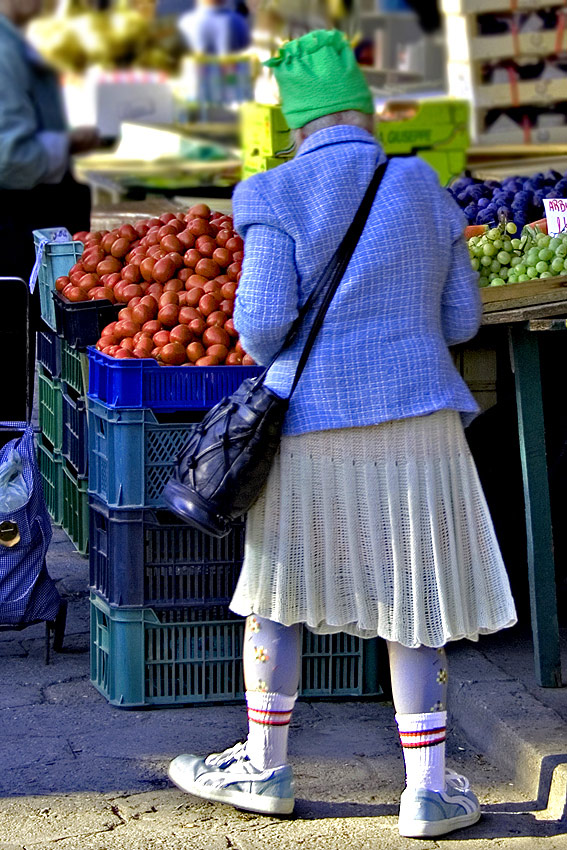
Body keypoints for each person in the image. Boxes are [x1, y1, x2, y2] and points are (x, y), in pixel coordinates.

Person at [168, 29, 517, 839]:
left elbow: (257, 329)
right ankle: (427, 791)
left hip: (311, 430)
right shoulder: (422, 183)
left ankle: (262, 765)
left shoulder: (272, 192)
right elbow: (461, 319)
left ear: (297, 124)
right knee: (415, 604)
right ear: (364, 113)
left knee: (276, 600)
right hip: (420, 426)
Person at [0, 0, 98, 420]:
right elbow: (12, 158)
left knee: (25, 357)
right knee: (13, 353)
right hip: (15, 229)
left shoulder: (21, 43)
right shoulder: (5, 49)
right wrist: (74, 142)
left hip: (29, 223)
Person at [178, 0, 250, 55]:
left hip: (200, 72)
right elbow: (245, 49)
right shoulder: (238, 21)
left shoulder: (185, 22)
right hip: (233, 72)